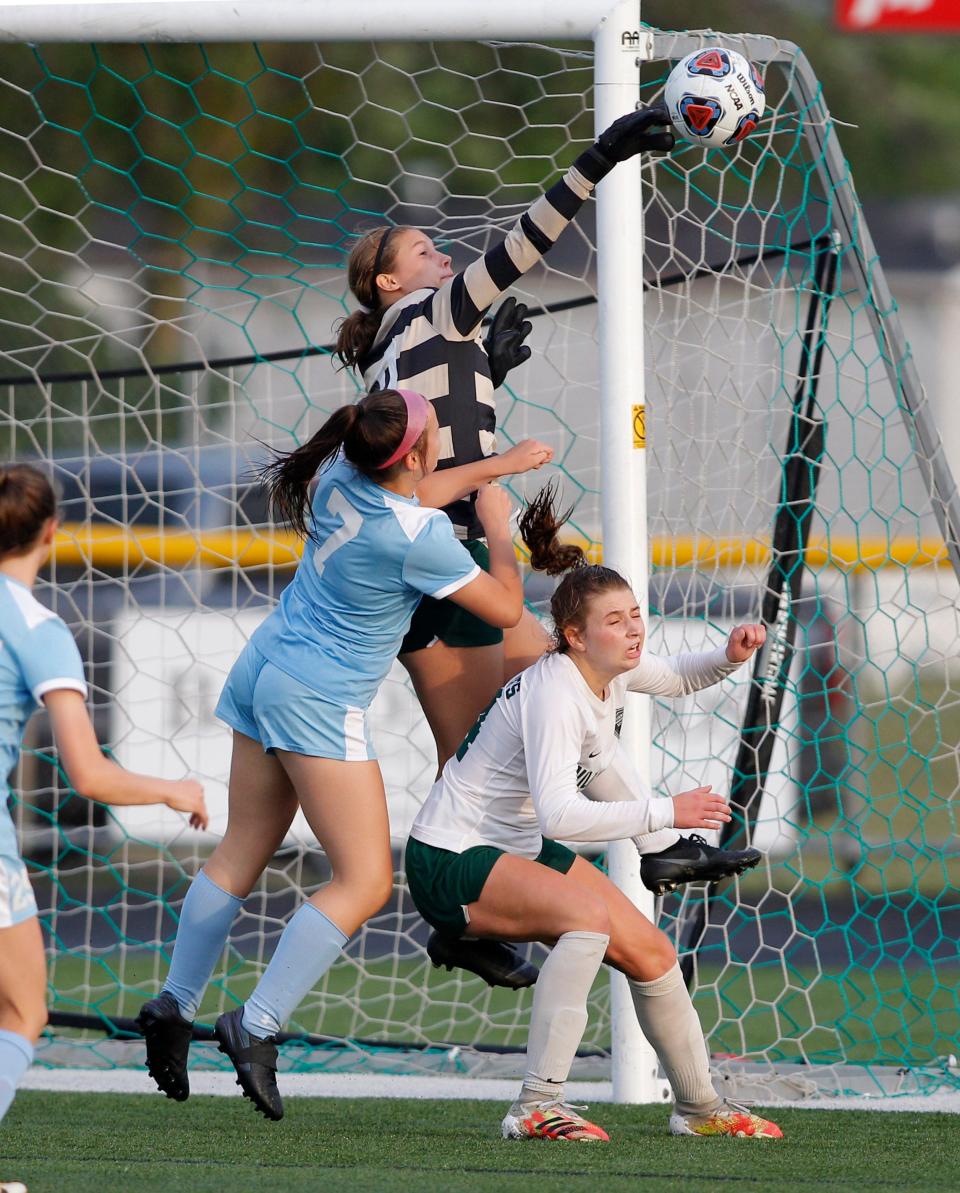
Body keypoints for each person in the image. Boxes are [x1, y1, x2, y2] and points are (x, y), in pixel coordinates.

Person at [335, 107, 761, 985]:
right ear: (387, 284)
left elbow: (431, 431)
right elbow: (522, 245)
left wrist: (486, 373)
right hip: (437, 579)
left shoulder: (401, 344)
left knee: (535, 721)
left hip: (447, 571)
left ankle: (653, 849)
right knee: (495, 757)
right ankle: (506, 907)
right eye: (419, 252)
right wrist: (600, 158)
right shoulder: (426, 312)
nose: (440, 257)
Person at [136, 388, 528, 1122]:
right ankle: (255, 1023)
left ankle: (175, 1001)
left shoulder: (338, 476)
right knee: (366, 880)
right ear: (413, 453)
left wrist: (494, 467)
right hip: (318, 697)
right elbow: (505, 608)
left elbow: (417, 496)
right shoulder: (419, 535)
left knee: (240, 850)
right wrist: (501, 533)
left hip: (264, 667)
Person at [404, 488, 783, 1141]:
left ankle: (700, 1108)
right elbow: (560, 815)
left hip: (511, 850)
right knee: (587, 920)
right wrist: (666, 810)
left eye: (636, 614)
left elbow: (680, 676)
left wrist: (730, 654)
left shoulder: (608, 670)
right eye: (616, 620)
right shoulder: (556, 689)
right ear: (574, 636)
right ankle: (537, 1104)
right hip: (450, 857)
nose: (634, 629)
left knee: (654, 952)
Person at [0, 463, 209, 1183]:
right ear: (53, 532)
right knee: (23, 1009)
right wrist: (173, 788)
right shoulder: (38, 627)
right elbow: (88, 774)